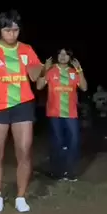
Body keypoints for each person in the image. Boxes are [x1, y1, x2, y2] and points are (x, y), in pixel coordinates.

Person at [0, 10, 44, 213]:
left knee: (24, 151)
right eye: (8, 30)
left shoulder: (27, 49)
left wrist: (41, 68)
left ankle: (21, 196)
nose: (12, 34)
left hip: (23, 105)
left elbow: (35, 76)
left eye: (16, 30)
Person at [36, 48, 88, 181]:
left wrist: (79, 70)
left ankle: (70, 172)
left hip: (71, 113)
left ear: (70, 57)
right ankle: (57, 172)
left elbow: (84, 87)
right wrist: (44, 69)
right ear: (57, 56)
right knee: (57, 142)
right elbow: (39, 86)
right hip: (55, 113)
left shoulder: (73, 72)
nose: (63, 56)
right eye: (60, 54)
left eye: (66, 54)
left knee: (74, 141)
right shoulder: (51, 71)